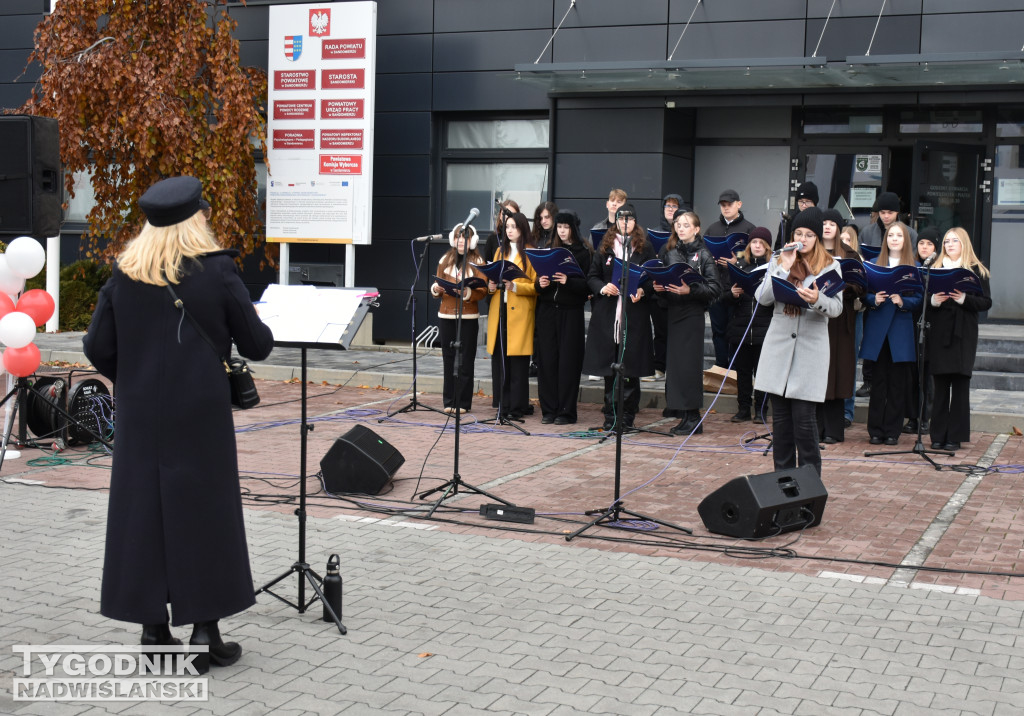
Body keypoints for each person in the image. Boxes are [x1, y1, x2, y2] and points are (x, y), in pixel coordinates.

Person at [83, 176, 274, 672]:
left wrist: (137, 377)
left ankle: (153, 629)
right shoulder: (219, 272)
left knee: (142, 512)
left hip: (141, 415)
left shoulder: (125, 274)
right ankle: (205, 632)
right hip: (202, 414)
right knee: (206, 512)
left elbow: (97, 348)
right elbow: (257, 344)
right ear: (195, 219)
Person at [754, 207, 842, 477]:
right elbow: (762, 297)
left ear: (818, 238)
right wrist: (782, 267)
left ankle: (809, 486)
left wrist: (817, 301)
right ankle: (782, 483)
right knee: (780, 425)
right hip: (778, 350)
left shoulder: (831, 264)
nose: (802, 239)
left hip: (809, 352)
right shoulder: (780, 258)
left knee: (804, 424)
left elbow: (837, 308)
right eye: (798, 233)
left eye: (809, 234)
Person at [582, 204, 656, 431]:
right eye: (621, 219)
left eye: (630, 219)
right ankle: (610, 417)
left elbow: (653, 279)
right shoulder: (604, 248)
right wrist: (604, 288)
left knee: (630, 368)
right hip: (608, 317)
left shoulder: (645, 248)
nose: (626, 223)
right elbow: (592, 277)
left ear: (635, 222)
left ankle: (627, 418)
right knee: (609, 368)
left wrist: (643, 291)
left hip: (633, 316)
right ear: (616, 222)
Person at [654, 210, 721, 436]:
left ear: (696, 229)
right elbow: (663, 280)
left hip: (692, 315)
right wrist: (659, 288)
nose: (681, 228)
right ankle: (684, 415)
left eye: (685, 225)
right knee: (676, 368)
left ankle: (694, 417)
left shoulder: (703, 254)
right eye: (678, 225)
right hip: (673, 314)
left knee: (689, 367)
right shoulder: (670, 252)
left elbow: (715, 288)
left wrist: (689, 290)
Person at [926, 227, 992, 451]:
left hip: (963, 333)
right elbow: (924, 301)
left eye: (954, 241)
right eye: (946, 242)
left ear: (964, 243)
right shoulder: (935, 268)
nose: (949, 245)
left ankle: (955, 435)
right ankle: (938, 434)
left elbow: (986, 302)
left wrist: (965, 299)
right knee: (941, 386)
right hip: (940, 333)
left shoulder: (976, 271)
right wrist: (933, 300)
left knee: (960, 387)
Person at [860, 221, 923, 445]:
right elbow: (863, 293)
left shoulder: (913, 266)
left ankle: (892, 431)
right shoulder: (874, 264)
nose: (894, 239)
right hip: (878, 328)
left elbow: (919, 299)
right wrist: (872, 299)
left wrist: (903, 300)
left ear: (906, 240)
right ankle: (875, 430)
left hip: (900, 329)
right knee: (878, 382)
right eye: (890, 236)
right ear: (885, 240)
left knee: (897, 384)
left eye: (899, 235)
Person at [533, 210, 592, 424]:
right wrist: (540, 283)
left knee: (568, 362)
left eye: (566, 227)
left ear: (573, 229)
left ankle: (566, 411)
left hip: (571, 312)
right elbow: (537, 284)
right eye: (559, 227)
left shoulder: (583, 253)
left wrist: (569, 281)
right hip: (548, 311)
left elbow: (587, 286)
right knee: (547, 360)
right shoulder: (549, 250)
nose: (562, 231)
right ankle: (548, 410)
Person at [429, 223, 487, 414]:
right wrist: (436, 289)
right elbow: (437, 281)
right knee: (448, 357)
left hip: (468, 316)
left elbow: (483, 290)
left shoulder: (478, 261)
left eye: (466, 237)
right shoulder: (445, 259)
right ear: (454, 239)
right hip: (446, 313)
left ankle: (462, 402)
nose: (462, 240)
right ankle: (449, 400)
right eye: (459, 237)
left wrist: (468, 292)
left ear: (473, 241)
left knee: (465, 358)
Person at [486, 211, 538, 420]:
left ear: (522, 229)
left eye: (513, 227)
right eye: (507, 226)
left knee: (518, 363)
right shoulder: (500, 251)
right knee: (501, 360)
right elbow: (493, 280)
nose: (509, 230)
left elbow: (536, 287)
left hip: (520, 313)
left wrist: (515, 286)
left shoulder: (532, 253)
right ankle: (503, 405)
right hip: (500, 311)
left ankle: (517, 407)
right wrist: (490, 285)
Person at [817, 209, 864, 443]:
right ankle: (814, 429)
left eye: (832, 224)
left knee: (836, 373)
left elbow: (861, 286)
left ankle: (834, 430)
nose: (827, 227)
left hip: (840, 320)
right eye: (823, 223)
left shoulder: (849, 255)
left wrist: (845, 287)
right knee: (817, 373)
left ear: (839, 228)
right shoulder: (811, 251)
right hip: (815, 318)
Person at [725, 227, 773, 424]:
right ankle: (743, 408)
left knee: (762, 373)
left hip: (764, 328)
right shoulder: (740, 268)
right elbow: (724, 299)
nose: (757, 246)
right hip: (741, 328)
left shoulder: (773, 269)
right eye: (754, 242)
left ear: (768, 247)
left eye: (762, 243)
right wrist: (732, 294)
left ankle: (761, 410)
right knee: (742, 372)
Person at [704, 189, 755, 369]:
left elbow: (757, 259)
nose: (726, 208)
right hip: (717, 287)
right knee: (718, 331)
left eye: (729, 204)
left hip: (737, 289)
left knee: (734, 332)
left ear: (739, 204)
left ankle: (734, 371)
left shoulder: (749, 229)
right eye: (723, 205)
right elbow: (703, 256)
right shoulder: (712, 229)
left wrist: (736, 263)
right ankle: (720, 368)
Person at [905, 227, 940, 434]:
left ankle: (926, 417)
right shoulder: (912, 267)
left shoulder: (939, 268)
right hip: (911, 324)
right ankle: (912, 417)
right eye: (921, 243)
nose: (924, 247)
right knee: (912, 374)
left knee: (928, 375)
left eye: (929, 244)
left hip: (931, 327)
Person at [482, 198, 520, 266]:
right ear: (500, 215)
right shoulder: (492, 238)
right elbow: (487, 262)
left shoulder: (523, 238)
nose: (507, 216)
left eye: (511, 213)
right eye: (504, 213)